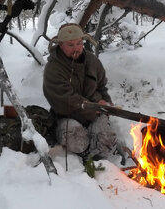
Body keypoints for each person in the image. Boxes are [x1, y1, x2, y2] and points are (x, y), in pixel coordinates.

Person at [43, 23, 119, 162]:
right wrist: (93, 107)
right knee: (78, 142)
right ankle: (81, 155)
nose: (76, 48)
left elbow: (102, 86)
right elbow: (63, 99)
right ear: (61, 45)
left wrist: (107, 105)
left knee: (107, 143)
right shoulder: (53, 68)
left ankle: (95, 157)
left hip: (95, 112)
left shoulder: (92, 61)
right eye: (70, 45)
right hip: (66, 115)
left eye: (79, 43)